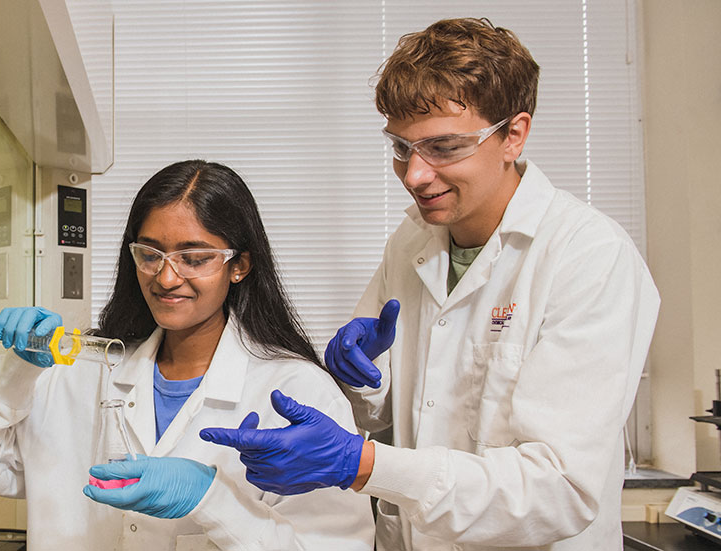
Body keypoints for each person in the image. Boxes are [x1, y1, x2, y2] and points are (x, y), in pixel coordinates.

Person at [199, 18, 660, 550]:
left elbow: (557, 489)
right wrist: (363, 383)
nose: (414, 174)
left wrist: (359, 463)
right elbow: (401, 416)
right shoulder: (413, 241)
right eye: (401, 148)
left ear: (514, 134)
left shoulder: (588, 257)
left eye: (443, 147)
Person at [0, 160, 373, 549]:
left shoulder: (295, 391)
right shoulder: (78, 371)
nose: (166, 277)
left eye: (193, 258)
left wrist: (213, 502)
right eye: (150, 254)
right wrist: (16, 371)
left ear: (240, 266)